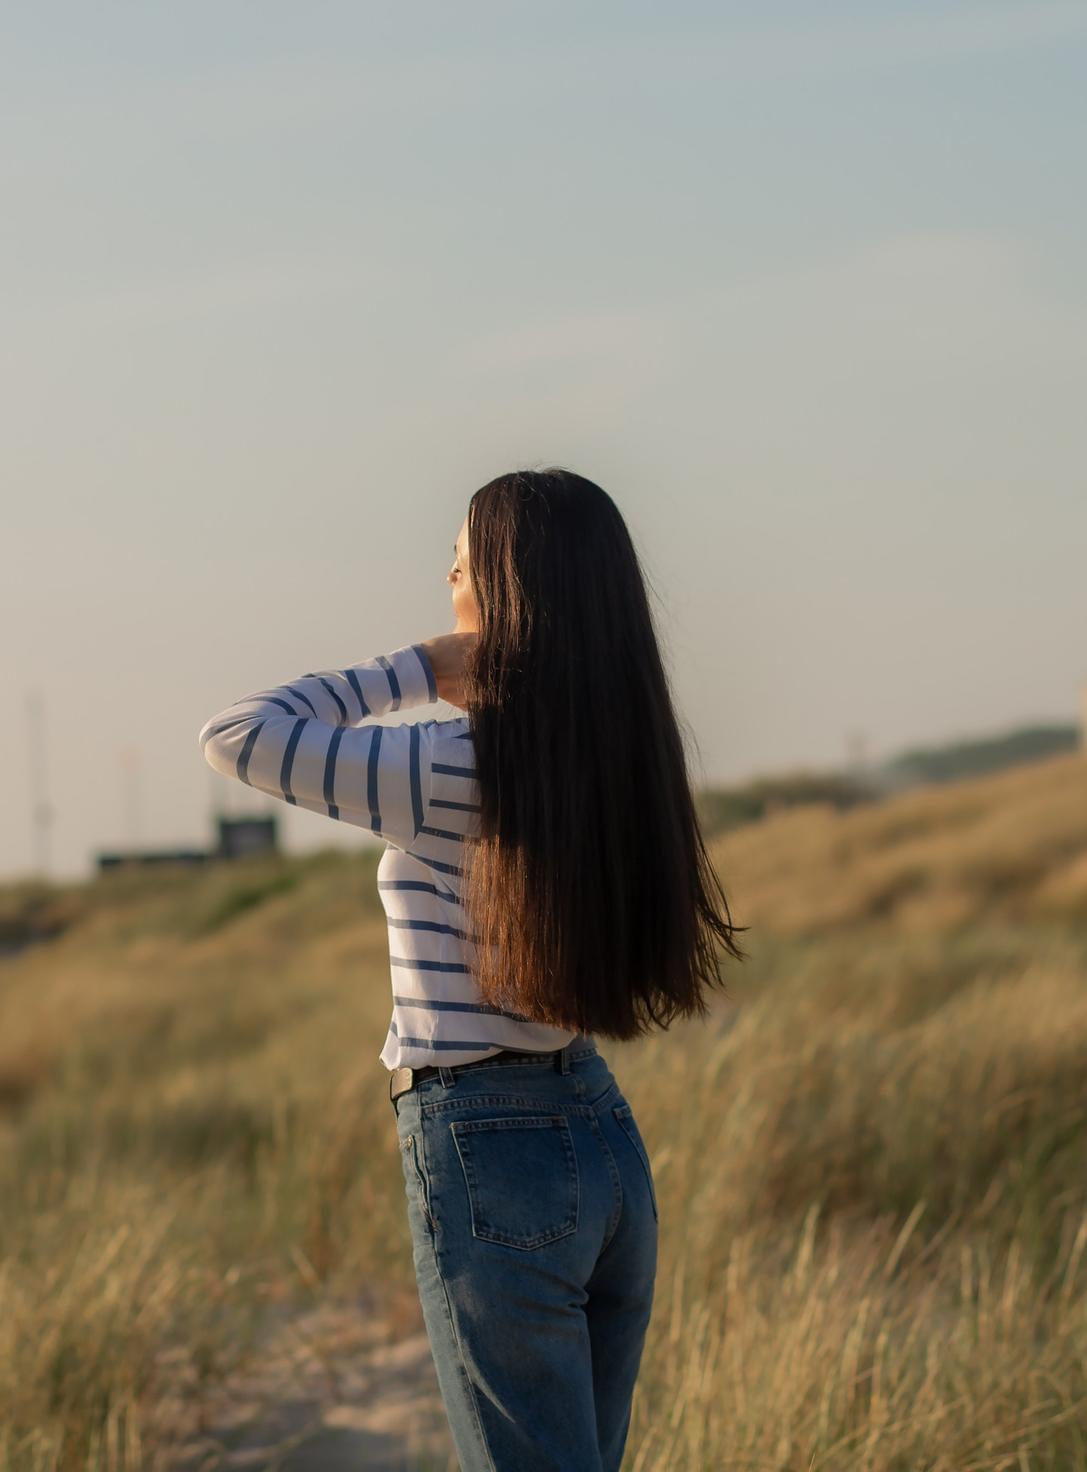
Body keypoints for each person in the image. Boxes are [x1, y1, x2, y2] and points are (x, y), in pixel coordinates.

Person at [200, 468, 739, 1472]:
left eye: (461, 563)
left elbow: (235, 737)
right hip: (602, 1136)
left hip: (489, 1146)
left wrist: (416, 667)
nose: (445, 578)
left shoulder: (454, 765)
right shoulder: (626, 764)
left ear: (504, 594)